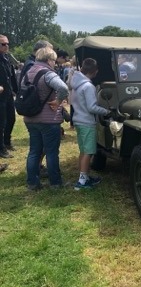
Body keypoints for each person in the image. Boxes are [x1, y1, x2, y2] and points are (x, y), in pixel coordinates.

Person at [23, 46, 69, 190]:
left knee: (34, 151)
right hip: (48, 119)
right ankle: (55, 183)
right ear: (49, 60)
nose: (55, 63)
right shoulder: (49, 74)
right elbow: (63, 88)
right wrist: (58, 101)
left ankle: (32, 183)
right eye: (54, 61)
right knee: (51, 152)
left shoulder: (28, 72)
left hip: (31, 118)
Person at [71, 58, 111, 190]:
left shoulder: (76, 83)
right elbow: (92, 107)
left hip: (78, 119)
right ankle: (82, 181)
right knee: (89, 151)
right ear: (95, 71)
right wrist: (106, 111)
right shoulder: (88, 86)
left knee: (83, 151)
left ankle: (85, 176)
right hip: (87, 122)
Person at [0, 34, 18, 158]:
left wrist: (16, 90)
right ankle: (1, 149)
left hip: (8, 95)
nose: (6, 46)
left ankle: (7, 142)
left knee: (11, 119)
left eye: (7, 43)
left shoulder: (6, 58)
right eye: (3, 44)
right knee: (1, 123)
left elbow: (11, 76)